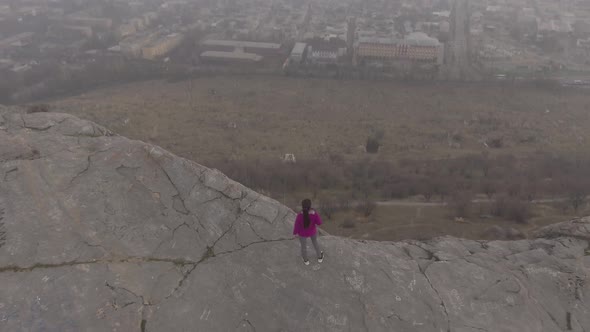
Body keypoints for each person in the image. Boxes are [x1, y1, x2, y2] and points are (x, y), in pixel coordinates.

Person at [293, 199, 324, 265]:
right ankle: (320, 257)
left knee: (303, 247)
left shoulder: (299, 215)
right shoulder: (314, 213)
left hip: (302, 233)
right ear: (310, 206)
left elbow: (297, 225)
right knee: (315, 243)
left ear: (302, 206)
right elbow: (319, 223)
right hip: (312, 232)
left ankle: (306, 260)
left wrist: (295, 233)